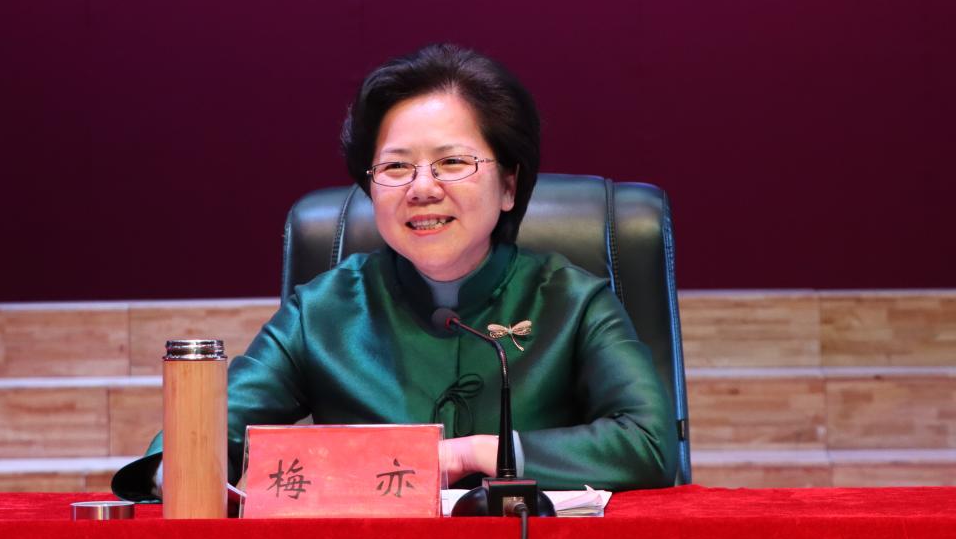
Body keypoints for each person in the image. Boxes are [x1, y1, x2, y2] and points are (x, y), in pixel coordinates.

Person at [112, 44, 677, 501]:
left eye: (452, 162)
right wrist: (175, 473)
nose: (422, 188)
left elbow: (649, 444)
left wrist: (476, 452)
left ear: (508, 185)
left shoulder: (573, 302)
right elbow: (205, 437)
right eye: (396, 166)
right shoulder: (324, 312)